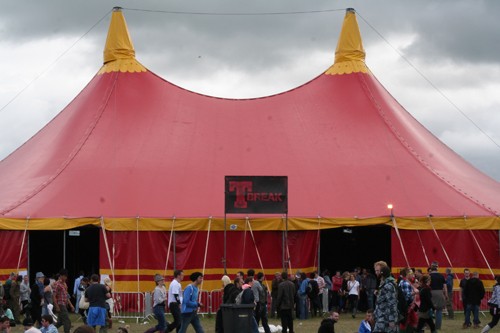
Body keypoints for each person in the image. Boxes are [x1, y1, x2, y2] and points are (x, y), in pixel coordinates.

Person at [373, 264, 398, 333]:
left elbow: (392, 304)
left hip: (386, 320)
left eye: (378, 271)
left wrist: (392, 320)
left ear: (382, 274)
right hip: (381, 318)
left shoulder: (388, 286)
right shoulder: (384, 285)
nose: (376, 273)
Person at [53, 269, 75, 333]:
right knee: (67, 320)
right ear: (61, 276)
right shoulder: (57, 284)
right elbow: (54, 296)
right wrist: (56, 306)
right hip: (60, 304)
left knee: (60, 321)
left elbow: (66, 296)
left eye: (66, 276)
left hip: (64, 304)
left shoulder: (64, 284)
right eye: (64, 276)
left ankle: (49, 330)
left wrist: (71, 305)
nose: (66, 278)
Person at [428, 262, 447, 330]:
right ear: (437, 268)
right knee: (439, 310)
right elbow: (445, 287)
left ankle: (430, 326)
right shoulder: (441, 276)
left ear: (431, 268)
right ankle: (438, 327)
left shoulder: (429, 276)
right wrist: (446, 295)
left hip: (431, 293)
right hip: (440, 293)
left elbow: (427, 285)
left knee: (430, 310)